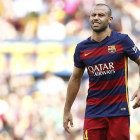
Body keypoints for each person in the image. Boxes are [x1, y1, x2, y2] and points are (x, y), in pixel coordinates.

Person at [63, 3, 140, 140]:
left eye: (101, 15)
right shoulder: (82, 48)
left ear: (110, 19)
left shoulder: (122, 41)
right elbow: (75, 79)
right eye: (93, 15)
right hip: (93, 113)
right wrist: (67, 110)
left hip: (119, 112)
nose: (96, 18)